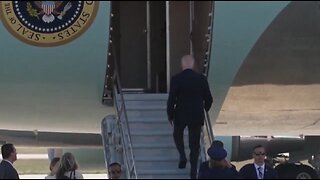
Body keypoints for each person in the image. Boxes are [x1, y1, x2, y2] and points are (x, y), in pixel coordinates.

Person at [167, 55, 213, 179]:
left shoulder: (176, 79)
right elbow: (209, 98)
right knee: (194, 144)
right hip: (196, 114)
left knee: (177, 134)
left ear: (182, 65)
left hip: (181, 112)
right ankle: (193, 171)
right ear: (192, 65)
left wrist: (170, 114)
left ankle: (182, 154)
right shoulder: (201, 79)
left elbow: (171, 99)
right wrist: (204, 109)